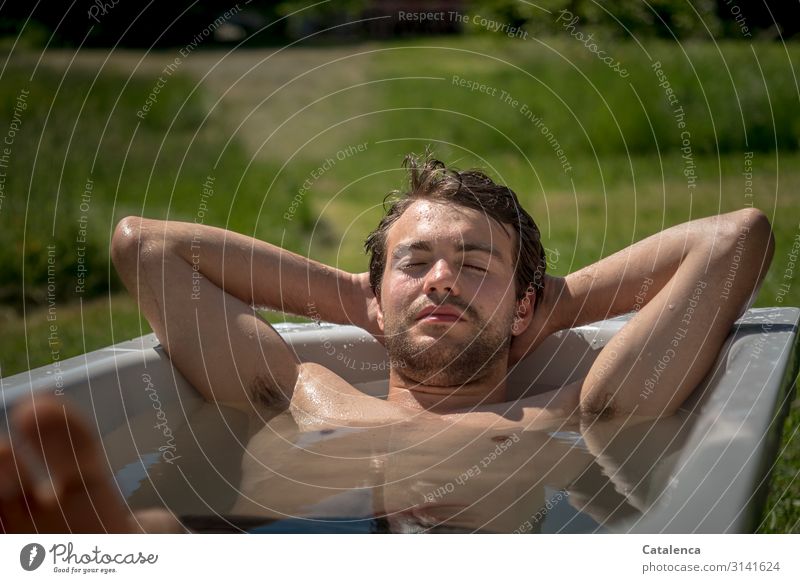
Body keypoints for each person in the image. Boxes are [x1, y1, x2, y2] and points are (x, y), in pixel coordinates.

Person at [0, 151, 774, 533]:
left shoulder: (578, 407)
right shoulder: (304, 388)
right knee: (162, 533)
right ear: (375, 295)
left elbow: (734, 238)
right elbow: (147, 248)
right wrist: (360, 298)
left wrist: (547, 306)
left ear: (524, 307)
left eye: (475, 266)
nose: (441, 280)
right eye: (416, 264)